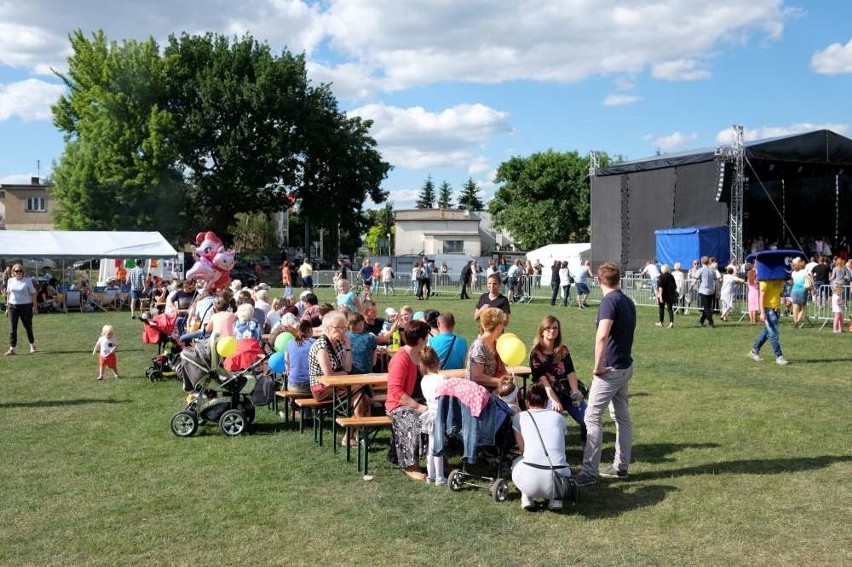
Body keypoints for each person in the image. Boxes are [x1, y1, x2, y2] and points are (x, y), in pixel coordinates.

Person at [575, 261, 637, 486]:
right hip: (624, 367)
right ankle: (621, 467)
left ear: (599, 280)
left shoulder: (610, 301)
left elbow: (602, 336)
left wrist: (598, 366)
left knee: (591, 417)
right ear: (618, 279)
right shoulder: (627, 301)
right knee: (622, 418)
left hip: (611, 369)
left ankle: (589, 472)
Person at [511, 383, 572, 512]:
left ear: (527, 402)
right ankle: (556, 499)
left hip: (531, 481)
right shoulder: (559, 418)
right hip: (560, 477)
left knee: (516, 463)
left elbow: (523, 450)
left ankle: (526, 497)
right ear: (546, 402)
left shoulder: (519, 418)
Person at [529, 315, 587, 446]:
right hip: (547, 394)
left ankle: (587, 447)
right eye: (548, 328)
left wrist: (575, 392)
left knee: (589, 419)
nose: (552, 331)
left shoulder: (563, 350)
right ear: (542, 331)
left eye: (555, 328)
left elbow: (570, 372)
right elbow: (543, 381)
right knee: (554, 421)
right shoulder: (535, 354)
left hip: (566, 392)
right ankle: (552, 449)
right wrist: (554, 400)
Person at [385, 320, 431, 481]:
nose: (427, 340)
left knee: (440, 415)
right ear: (420, 340)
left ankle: (439, 459)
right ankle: (410, 465)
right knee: (412, 419)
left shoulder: (421, 355)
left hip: (419, 401)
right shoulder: (400, 359)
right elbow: (396, 391)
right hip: (398, 404)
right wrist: (418, 406)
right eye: (426, 338)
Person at [418, 345, 448, 485]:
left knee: (431, 445)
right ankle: (439, 477)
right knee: (438, 446)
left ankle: (431, 475)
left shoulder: (424, 380)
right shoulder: (441, 378)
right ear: (437, 361)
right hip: (439, 415)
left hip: (430, 413)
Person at [748, 271, 789, 366]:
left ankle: (754, 350)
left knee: (768, 332)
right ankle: (779, 356)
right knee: (773, 333)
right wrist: (762, 312)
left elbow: (780, 293)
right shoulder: (764, 281)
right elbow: (761, 298)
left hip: (776, 309)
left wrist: (785, 299)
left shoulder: (780, 281)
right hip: (768, 309)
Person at [466, 307, 507, 389]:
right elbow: (476, 377)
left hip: (494, 393)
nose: (503, 327)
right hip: (479, 396)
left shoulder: (496, 343)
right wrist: (501, 382)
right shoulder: (479, 346)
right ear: (498, 327)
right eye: (502, 324)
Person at [4, 263, 38, 355]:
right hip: (13, 307)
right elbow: (8, 294)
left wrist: (35, 307)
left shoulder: (28, 281)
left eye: (20, 271)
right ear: (13, 272)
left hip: (26, 307)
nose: (18, 272)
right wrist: (7, 308)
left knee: (28, 327)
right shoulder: (10, 281)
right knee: (12, 328)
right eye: (16, 271)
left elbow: (33, 294)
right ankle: (12, 349)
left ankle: (32, 345)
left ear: (23, 272)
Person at [284, 320, 316, 393]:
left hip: (291, 386)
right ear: (310, 330)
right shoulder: (314, 343)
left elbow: (287, 369)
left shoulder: (289, 343)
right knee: (325, 387)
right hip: (310, 387)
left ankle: (294, 403)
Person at [695, 256, 718, 328]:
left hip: (703, 291)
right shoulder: (713, 270)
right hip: (711, 291)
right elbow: (716, 280)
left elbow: (695, 279)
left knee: (706, 308)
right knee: (707, 307)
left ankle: (711, 323)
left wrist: (691, 287)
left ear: (702, 262)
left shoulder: (700, 270)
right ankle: (701, 321)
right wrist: (718, 290)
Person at [788, 258, 810, 328]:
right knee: (802, 308)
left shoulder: (793, 273)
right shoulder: (805, 272)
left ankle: (795, 320)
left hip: (794, 290)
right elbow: (809, 279)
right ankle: (798, 321)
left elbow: (793, 281)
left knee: (795, 307)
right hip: (802, 290)